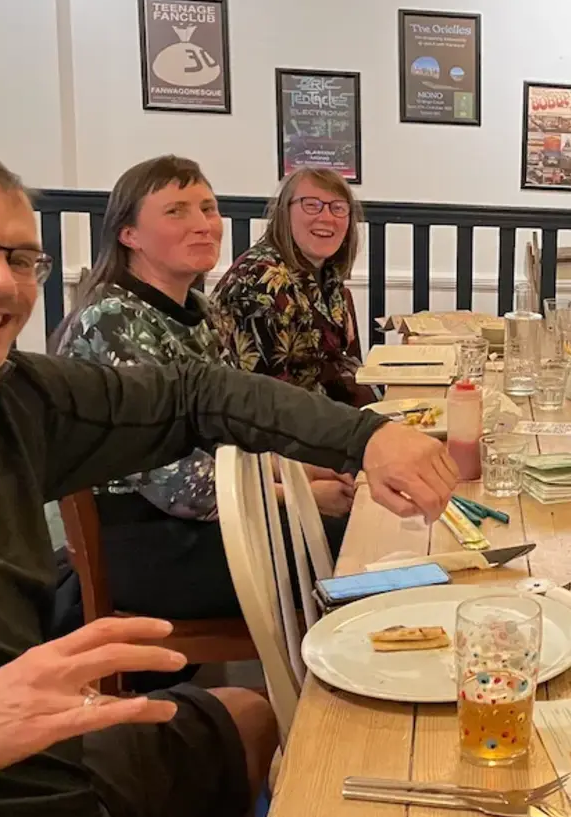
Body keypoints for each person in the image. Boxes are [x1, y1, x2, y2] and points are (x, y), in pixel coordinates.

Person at [0, 134, 455, 817]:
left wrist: (365, 436)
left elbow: (194, 394)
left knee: (250, 716)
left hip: (50, 780)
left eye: (20, 258)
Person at [50, 156, 357, 632]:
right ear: (128, 234)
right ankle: (336, 701)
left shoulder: (198, 309)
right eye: (176, 212)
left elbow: (239, 431)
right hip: (149, 546)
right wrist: (303, 495)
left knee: (371, 538)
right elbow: (182, 488)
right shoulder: (111, 321)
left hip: (209, 522)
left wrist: (320, 464)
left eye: (208, 209)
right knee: (365, 557)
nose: (203, 226)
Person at [209, 167, 376, 406]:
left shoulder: (326, 273)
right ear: (284, 213)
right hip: (273, 431)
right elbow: (267, 402)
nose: (327, 217)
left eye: (338, 208)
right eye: (311, 205)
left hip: (321, 414)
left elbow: (331, 364)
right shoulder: (261, 281)